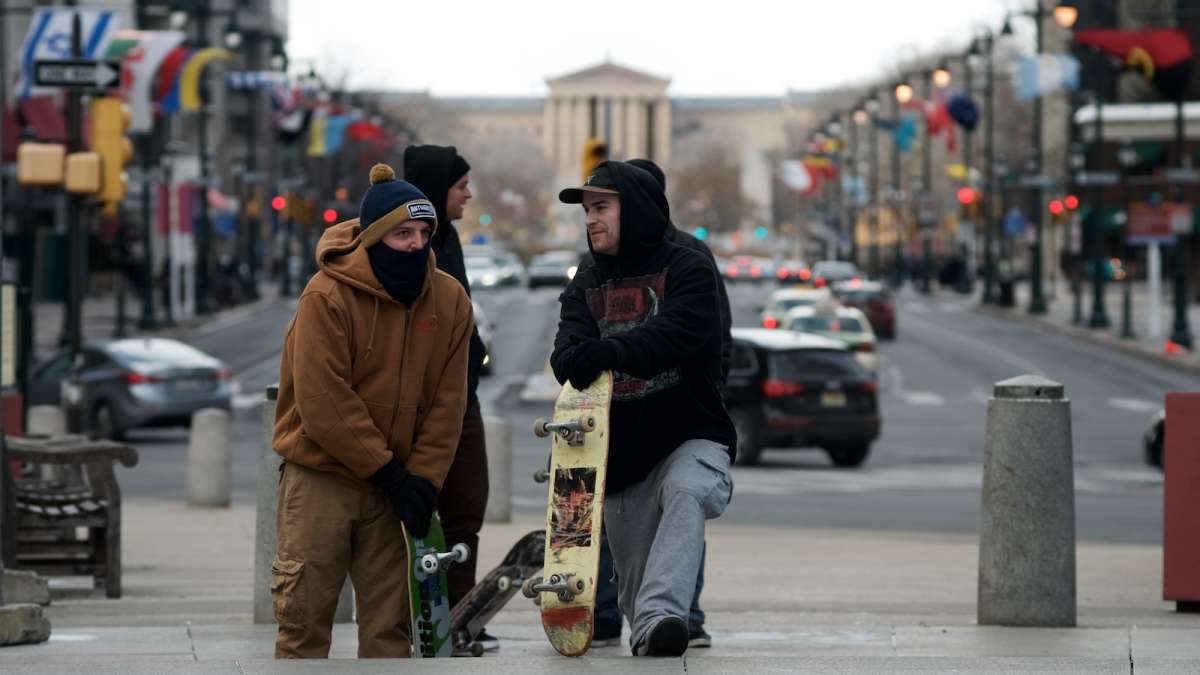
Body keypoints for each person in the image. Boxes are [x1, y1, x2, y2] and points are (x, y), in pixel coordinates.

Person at [270, 163, 474, 659]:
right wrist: (389, 474)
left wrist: (422, 480)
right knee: (303, 626)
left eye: (424, 232)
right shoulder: (326, 296)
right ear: (376, 235)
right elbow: (323, 402)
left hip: (398, 487)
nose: (415, 243)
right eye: (402, 232)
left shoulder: (449, 300)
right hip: (322, 477)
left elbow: (449, 403)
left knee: (390, 634)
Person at [551, 160, 736, 657]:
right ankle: (652, 627)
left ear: (632, 210)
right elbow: (566, 353)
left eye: (602, 208)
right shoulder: (586, 281)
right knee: (635, 599)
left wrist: (607, 351)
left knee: (687, 488)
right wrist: (577, 356)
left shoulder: (689, 267)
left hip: (690, 436)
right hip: (623, 460)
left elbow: (676, 335)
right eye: (587, 210)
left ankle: (667, 618)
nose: (591, 220)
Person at [401, 145, 497, 651]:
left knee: (466, 508)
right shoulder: (414, 246)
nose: (468, 194)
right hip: (426, 406)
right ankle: (422, 616)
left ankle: (459, 616)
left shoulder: (451, 237)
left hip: (465, 399)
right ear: (439, 188)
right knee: (416, 515)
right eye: (461, 186)